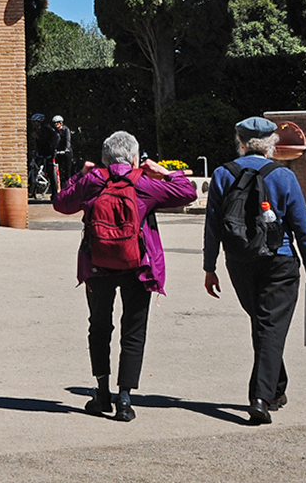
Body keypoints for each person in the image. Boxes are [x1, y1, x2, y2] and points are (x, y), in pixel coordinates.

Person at [54, 131, 197, 422]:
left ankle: (102, 392)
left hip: (97, 265)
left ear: (105, 159)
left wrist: (80, 173)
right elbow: (188, 193)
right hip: (138, 267)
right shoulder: (143, 183)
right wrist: (164, 172)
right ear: (134, 158)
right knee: (134, 330)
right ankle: (125, 400)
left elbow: (61, 203)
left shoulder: (92, 181)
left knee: (99, 327)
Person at [203, 116, 306, 425]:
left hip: (239, 261)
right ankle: (260, 398)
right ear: (272, 144)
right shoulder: (283, 176)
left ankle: (276, 389)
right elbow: (302, 228)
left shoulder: (221, 174)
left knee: (263, 323)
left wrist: (210, 266)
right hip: (278, 259)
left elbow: (213, 225)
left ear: (240, 143)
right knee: (270, 326)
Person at [50, 115, 75, 188]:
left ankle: (69, 185)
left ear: (61, 123)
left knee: (68, 170)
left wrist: (67, 148)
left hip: (66, 152)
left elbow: (68, 140)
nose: (56, 125)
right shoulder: (55, 131)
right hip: (59, 152)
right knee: (59, 169)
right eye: (55, 123)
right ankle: (60, 186)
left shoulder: (66, 130)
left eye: (57, 123)